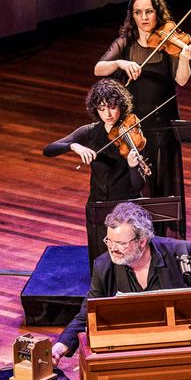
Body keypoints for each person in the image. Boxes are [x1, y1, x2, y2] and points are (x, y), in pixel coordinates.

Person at [51, 201, 191, 366]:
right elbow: (88, 313)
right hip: (132, 352)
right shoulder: (104, 266)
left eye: (121, 243)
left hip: (182, 347)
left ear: (142, 241)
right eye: (109, 241)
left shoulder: (184, 253)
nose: (113, 248)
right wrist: (60, 346)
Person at [95, 0, 191, 238]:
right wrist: (120, 63)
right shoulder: (125, 43)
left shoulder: (168, 43)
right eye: (138, 13)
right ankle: (140, 241)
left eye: (149, 12)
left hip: (164, 126)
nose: (144, 17)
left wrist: (184, 58)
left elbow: (181, 80)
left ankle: (164, 244)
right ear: (133, 15)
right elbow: (98, 68)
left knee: (164, 186)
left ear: (157, 13)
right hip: (134, 127)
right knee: (140, 186)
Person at [43, 79, 145, 261]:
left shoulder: (131, 134)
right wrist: (74, 146)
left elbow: (138, 186)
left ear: (121, 106)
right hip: (97, 205)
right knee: (100, 258)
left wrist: (132, 167)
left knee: (124, 258)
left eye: (112, 107)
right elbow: (48, 150)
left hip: (125, 208)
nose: (108, 114)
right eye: (102, 109)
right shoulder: (89, 131)